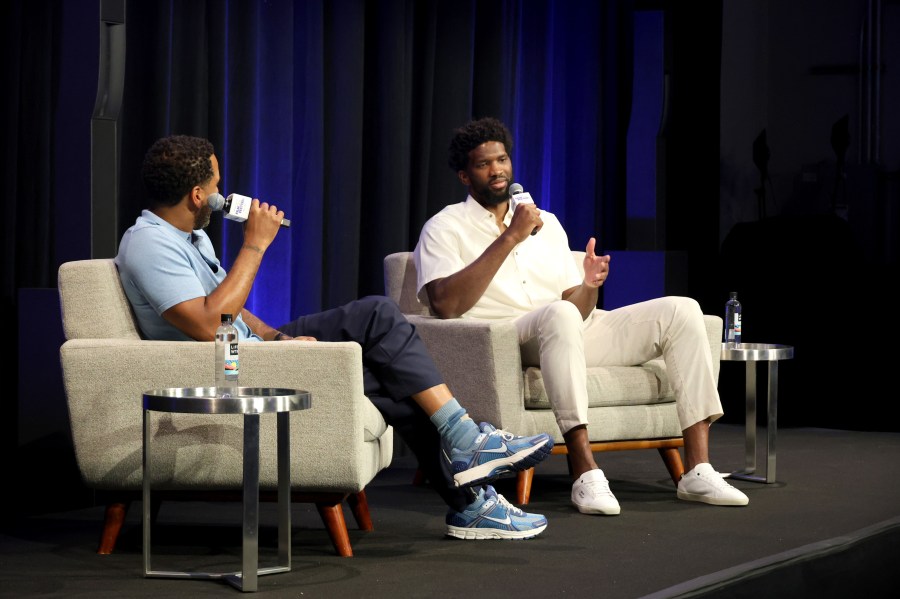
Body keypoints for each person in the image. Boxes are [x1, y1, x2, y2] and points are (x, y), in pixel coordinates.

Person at [115, 134, 555, 540]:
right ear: (198, 195)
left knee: (380, 327)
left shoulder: (190, 238)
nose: (221, 189)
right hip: (230, 368)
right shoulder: (149, 245)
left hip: (255, 349)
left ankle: (468, 482)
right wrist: (254, 245)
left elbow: (232, 307)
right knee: (386, 349)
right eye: (216, 182)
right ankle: (467, 474)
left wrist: (276, 338)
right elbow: (210, 324)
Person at [412, 117, 749, 516]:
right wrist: (511, 237)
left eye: (502, 159)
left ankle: (697, 469)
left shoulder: (547, 223)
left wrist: (589, 285)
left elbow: (576, 308)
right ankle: (585, 472)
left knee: (682, 309)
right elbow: (445, 305)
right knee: (557, 314)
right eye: (485, 164)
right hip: (507, 338)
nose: (497, 170)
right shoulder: (445, 227)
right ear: (465, 176)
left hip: (565, 329)